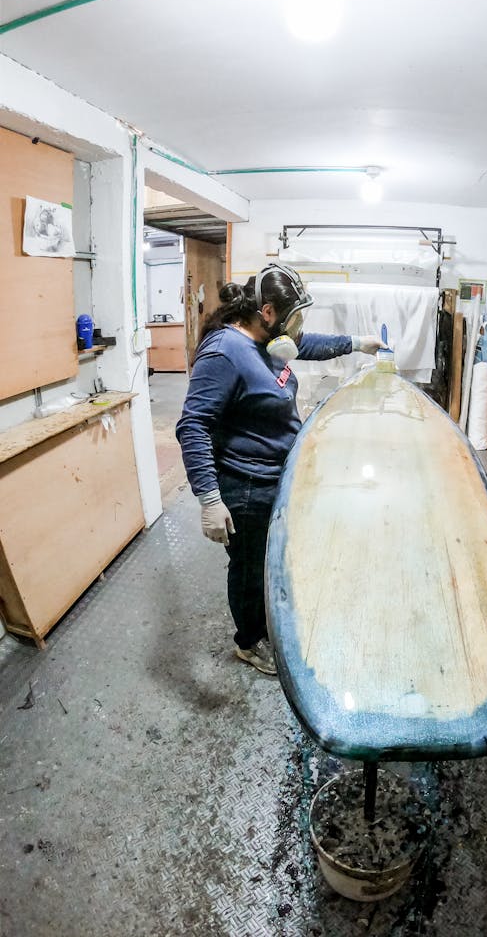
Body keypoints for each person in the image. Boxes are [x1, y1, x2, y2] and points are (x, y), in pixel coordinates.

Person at [176, 264, 382, 676]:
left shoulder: (269, 342)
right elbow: (192, 425)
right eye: (294, 318)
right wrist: (210, 499)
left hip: (276, 477)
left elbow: (305, 345)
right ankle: (250, 641)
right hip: (247, 488)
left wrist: (357, 343)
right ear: (267, 312)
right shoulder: (225, 353)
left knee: (272, 560)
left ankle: (269, 619)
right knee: (250, 568)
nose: (298, 328)